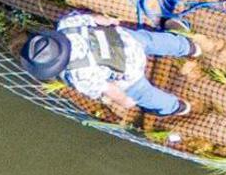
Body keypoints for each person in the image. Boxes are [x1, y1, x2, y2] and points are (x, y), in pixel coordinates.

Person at [20, 9, 196, 118]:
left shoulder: (79, 75)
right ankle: (189, 47)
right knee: (150, 40)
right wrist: (112, 22)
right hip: (127, 41)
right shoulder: (66, 25)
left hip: (129, 71)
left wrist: (125, 101)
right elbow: (98, 19)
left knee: (143, 93)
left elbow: (110, 90)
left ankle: (177, 107)